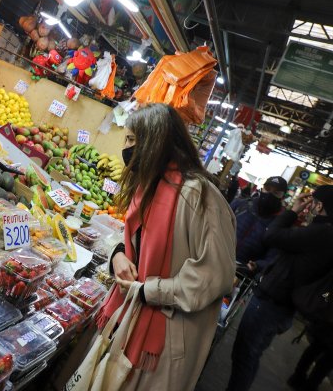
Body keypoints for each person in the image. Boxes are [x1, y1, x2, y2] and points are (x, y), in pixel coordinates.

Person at [90, 103, 236, 390]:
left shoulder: (199, 197)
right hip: (130, 313)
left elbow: (215, 276)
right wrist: (118, 256)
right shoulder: (150, 185)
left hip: (167, 335)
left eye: (133, 140)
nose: (127, 148)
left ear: (156, 141)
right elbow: (133, 239)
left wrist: (148, 291)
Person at [226, 185, 333, 391]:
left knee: (244, 357)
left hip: (271, 304)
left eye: (313, 203)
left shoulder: (320, 233)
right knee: (249, 356)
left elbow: (271, 235)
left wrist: (293, 211)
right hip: (284, 306)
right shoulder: (324, 234)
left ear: (319, 206)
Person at [229, 176, 288, 273]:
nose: (269, 194)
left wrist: (257, 265)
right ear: (262, 188)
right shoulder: (240, 205)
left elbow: (273, 257)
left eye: (276, 193)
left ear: (283, 197)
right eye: (267, 189)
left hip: (241, 272)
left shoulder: (280, 224)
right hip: (216, 256)